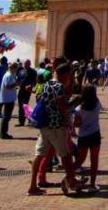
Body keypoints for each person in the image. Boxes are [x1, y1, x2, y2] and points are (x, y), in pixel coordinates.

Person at [28, 64, 83, 196]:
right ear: (65, 75)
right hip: (56, 126)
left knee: (39, 155)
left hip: (44, 125)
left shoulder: (47, 84)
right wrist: (74, 102)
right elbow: (62, 106)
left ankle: (32, 186)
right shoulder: (59, 87)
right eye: (69, 76)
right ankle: (71, 182)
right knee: (65, 155)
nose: (70, 79)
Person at [73, 84, 102, 190]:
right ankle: (92, 184)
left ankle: (70, 177)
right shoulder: (97, 104)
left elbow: (76, 124)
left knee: (80, 160)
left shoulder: (79, 109)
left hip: (83, 135)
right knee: (94, 160)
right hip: (95, 133)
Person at [0, 62, 20, 139]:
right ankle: (3, 133)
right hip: (8, 98)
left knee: (7, 116)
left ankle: (4, 132)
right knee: (6, 116)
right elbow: (7, 86)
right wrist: (16, 84)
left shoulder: (10, 75)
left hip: (9, 97)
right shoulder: (9, 75)